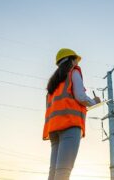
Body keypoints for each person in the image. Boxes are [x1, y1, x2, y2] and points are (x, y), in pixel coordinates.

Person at [43, 48, 101, 180]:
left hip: (54, 129)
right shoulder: (73, 72)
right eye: (76, 60)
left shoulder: (52, 84)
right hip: (70, 125)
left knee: (53, 172)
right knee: (63, 171)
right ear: (71, 60)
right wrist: (94, 102)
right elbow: (80, 96)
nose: (77, 63)